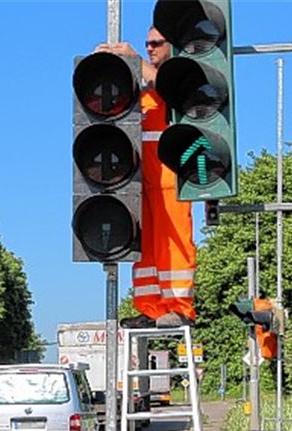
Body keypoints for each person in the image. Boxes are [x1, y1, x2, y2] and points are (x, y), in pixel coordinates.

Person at [96, 28, 198, 329]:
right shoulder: (145, 93)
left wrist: (134, 58)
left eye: (156, 44)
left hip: (171, 180)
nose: (150, 48)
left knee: (174, 244)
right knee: (145, 249)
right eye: (147, 45)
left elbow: (169, 88)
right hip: (141, 182)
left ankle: (180, 307)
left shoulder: (177, 82)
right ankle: (151, 308)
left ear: (173, 47)